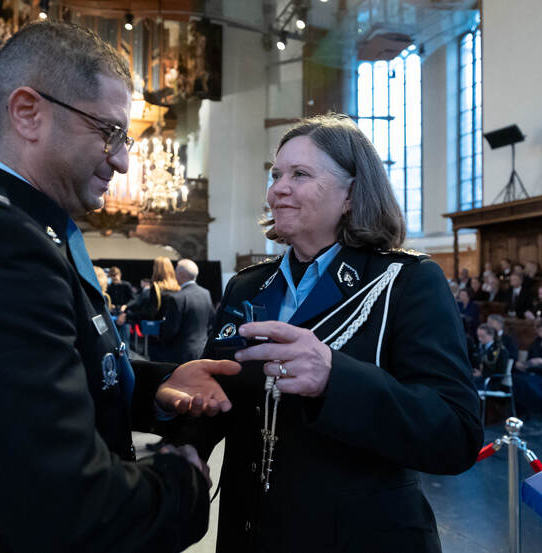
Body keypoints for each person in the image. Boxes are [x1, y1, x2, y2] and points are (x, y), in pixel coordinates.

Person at [0, 22, 241, 552]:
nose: (120, 161)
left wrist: (163, 386)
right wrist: (184, 469)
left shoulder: (23, 230)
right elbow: (67, 505)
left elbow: (66, 364)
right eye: (108, 132)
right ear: (28, 112)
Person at [174, 114, 482, 552]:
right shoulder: (246, 285)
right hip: (251, 533)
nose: (278, 187)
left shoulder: (406, 282)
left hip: (356, 538)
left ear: (352, 195)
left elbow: (456, 435)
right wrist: (185, 447)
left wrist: (334, 377)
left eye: (300, 174)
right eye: (276, 174)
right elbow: (219, 395)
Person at [159, 259, 215, 363]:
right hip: (202, 350)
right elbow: (211, 322)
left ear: (181, 274)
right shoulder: (205, 293)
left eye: (176, 271)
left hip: (181, 354)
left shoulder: (177, 298)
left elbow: (171, 331)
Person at [470, 324, 509, 390]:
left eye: (483, 336)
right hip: (480, 379)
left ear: (491, 335)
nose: (479, 339)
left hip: (492, 382)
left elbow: (501, 371)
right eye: (478, 336)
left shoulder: (500, 350)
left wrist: (482, 374)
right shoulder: (479, 348)